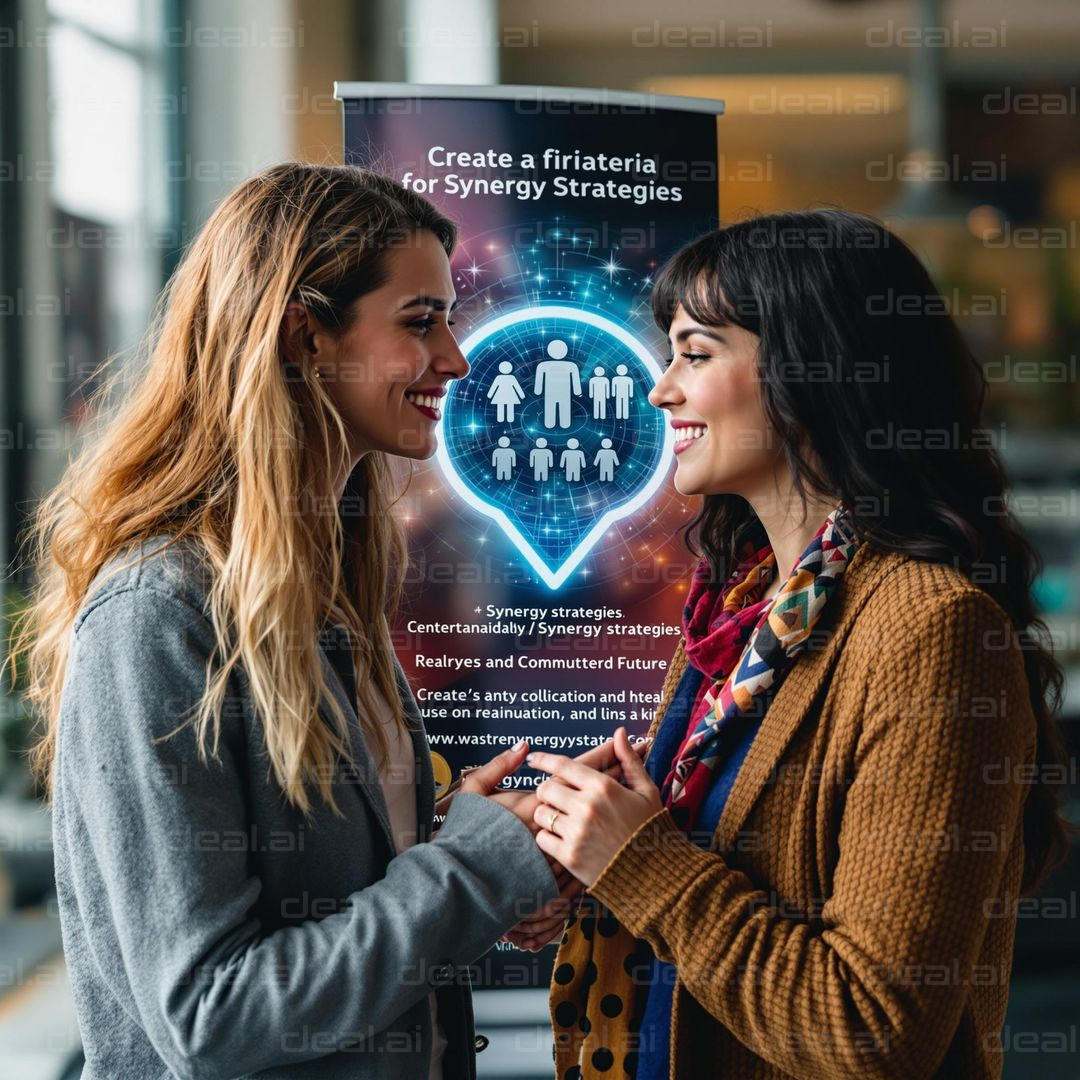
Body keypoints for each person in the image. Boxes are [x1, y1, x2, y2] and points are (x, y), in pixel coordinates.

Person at [7, 162, 618, 1080]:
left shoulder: (330, 586)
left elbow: (328, 903)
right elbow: (213, 1017)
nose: (456, 359)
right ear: (306, 335)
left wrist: (470, 851)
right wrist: (477, 868)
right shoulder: (160, 614)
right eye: (421, 322)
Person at [525, 209, 1075, 1079]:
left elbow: (872, 1029)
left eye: (695, 355)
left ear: (811, 375)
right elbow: (714, 879)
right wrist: (586, 858)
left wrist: (644, 866)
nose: (660, 389)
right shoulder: (743, 612)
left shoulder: (932, 629)